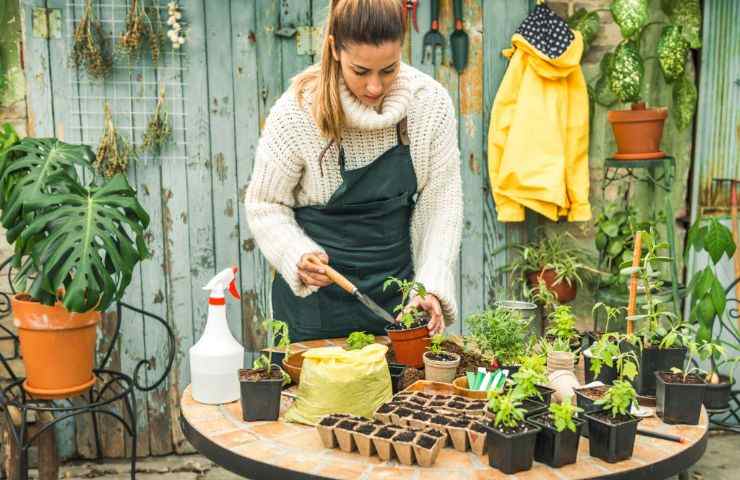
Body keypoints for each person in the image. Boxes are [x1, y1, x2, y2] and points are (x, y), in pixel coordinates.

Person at [244, 0, 462, 342]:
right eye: (360, 71)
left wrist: (429, 284)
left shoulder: (428, 103)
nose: (375, 87)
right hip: (315, 311)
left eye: (388, 69)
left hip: (399, 305)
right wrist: (295, 254)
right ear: (334, 49)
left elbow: (441, 201)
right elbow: (264, 204)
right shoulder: (298, 111)